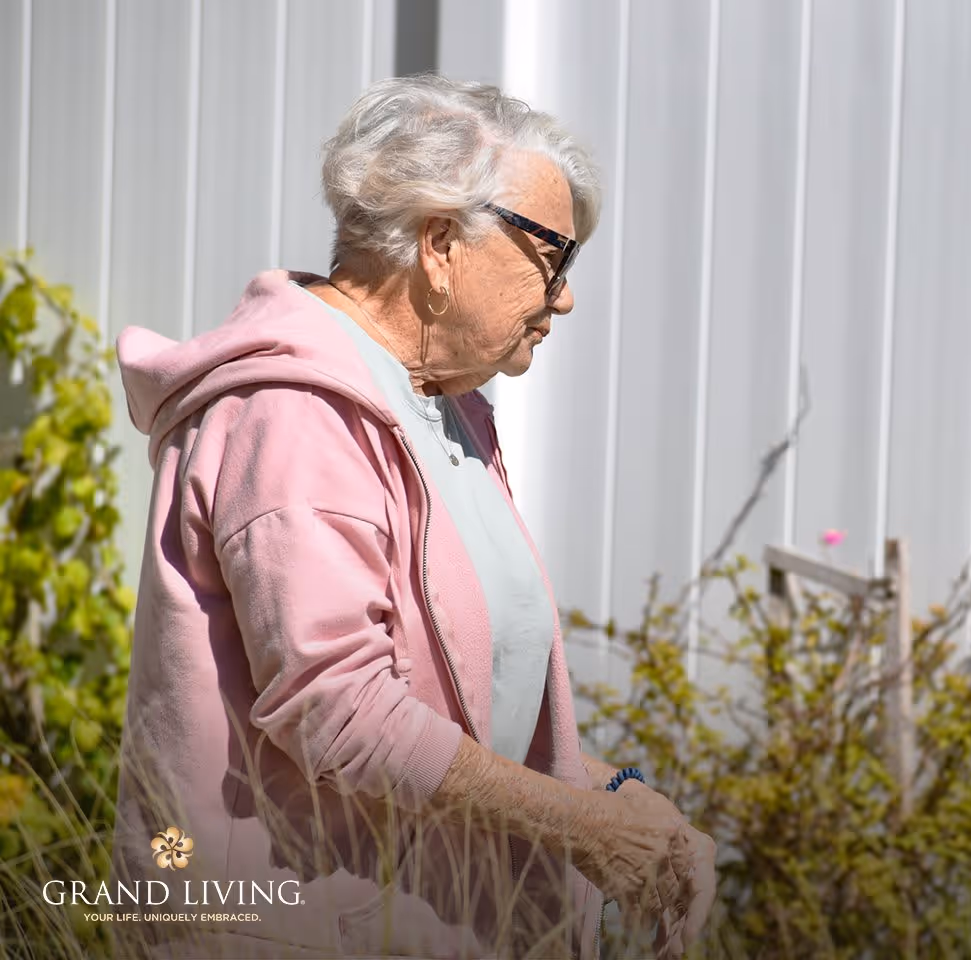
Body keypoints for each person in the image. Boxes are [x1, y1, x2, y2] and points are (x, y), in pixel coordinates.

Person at [112, 74, 715, 959]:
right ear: (440, 242)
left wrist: (621, 800)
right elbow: (340, 709)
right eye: (557, 255)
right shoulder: (298, 413)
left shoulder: (443, 408)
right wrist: (583, 831)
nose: (567, 297)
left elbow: (455, 708)